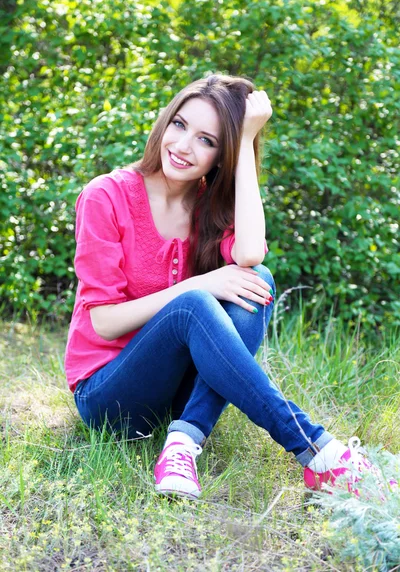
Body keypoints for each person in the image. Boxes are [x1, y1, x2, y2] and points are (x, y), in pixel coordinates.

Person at [64, 74, 393, 500]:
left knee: (257, 280)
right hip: (108, 397)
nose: (183, 146)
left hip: (172, 396)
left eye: (207, 140)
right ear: (165, 122)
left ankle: (182, 441)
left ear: (223, 155)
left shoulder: (207, 206)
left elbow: (252, 252)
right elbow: (104, 323)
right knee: (194, 304)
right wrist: (200, 284)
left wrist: (248, 140)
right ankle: (319, 451)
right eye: (179, 125)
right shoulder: (105, 196)